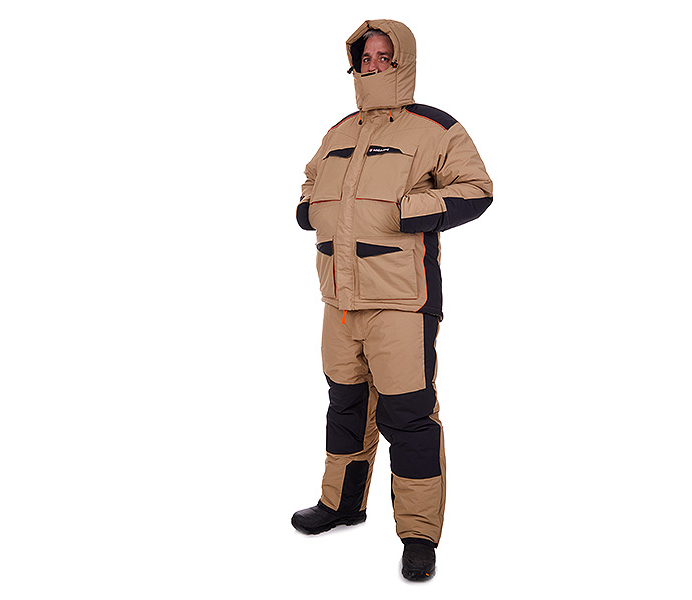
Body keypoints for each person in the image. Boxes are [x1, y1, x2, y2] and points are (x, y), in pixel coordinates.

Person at [292, 19, 492, 582]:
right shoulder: (339, 131)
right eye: (366, 57)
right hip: (339, 298)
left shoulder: (434, 128)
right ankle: (342, 504)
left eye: (385, 56)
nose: (374, 65)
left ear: (403, 61)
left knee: (408, 416)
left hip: (402, 300)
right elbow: (311, 182)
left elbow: (477, 188)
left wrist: (410, 211)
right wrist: (310, 209)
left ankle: (418, 535)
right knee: (346, 406)